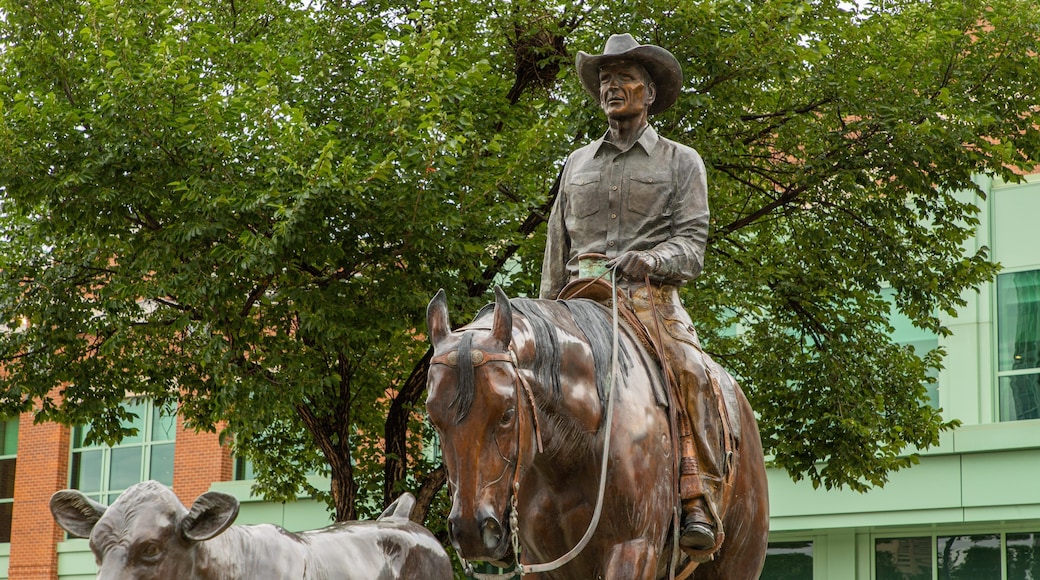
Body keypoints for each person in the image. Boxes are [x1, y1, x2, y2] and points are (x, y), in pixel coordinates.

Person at [539, 33, 726, 555]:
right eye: (604, 79)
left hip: (648, 302)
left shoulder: (680, 161)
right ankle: (513, 501)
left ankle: (697, 495)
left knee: (691, 372)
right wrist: (544, 311)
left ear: (648, 93)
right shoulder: (575, 164)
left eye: (622, 78)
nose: (610, 87)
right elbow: (556, 248)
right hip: (576, 303)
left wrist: (654, 260)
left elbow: (692, 244)